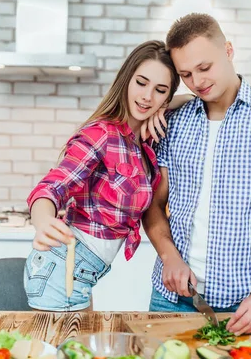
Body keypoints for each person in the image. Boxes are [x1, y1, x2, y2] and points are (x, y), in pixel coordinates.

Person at [142, 13, 251, 335]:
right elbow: (152, 204)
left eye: (204, 67)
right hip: (171, 298)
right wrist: (169, 257)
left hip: (242, 304)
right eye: (186, 74)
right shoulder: (174, 121)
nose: (197, 82)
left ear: (228, 50)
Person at [23, 40, 189, 311]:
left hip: (84, 271)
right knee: (60, 352)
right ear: (126, 80)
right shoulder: (101, 135)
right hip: (62, 268)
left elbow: (191, 99)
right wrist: (42, 220)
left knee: (79, 350)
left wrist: (166, 105)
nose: (147, 96)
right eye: (141, 82)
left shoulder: (142, 143)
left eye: (160, 90)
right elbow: (52, 186)